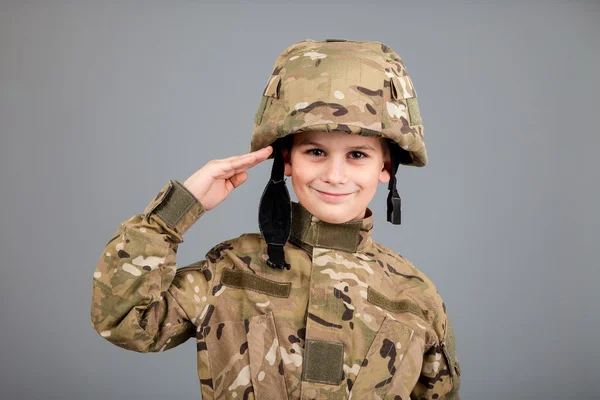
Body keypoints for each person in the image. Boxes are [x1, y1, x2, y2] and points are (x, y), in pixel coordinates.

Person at [91, 38, 461, 400]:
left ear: (386, 166)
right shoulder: (231, 270)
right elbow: (123, 320)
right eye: (315, 151)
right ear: (286, 160)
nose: (335, 175)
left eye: (357, 155)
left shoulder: (416, 298)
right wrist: (176, 212)